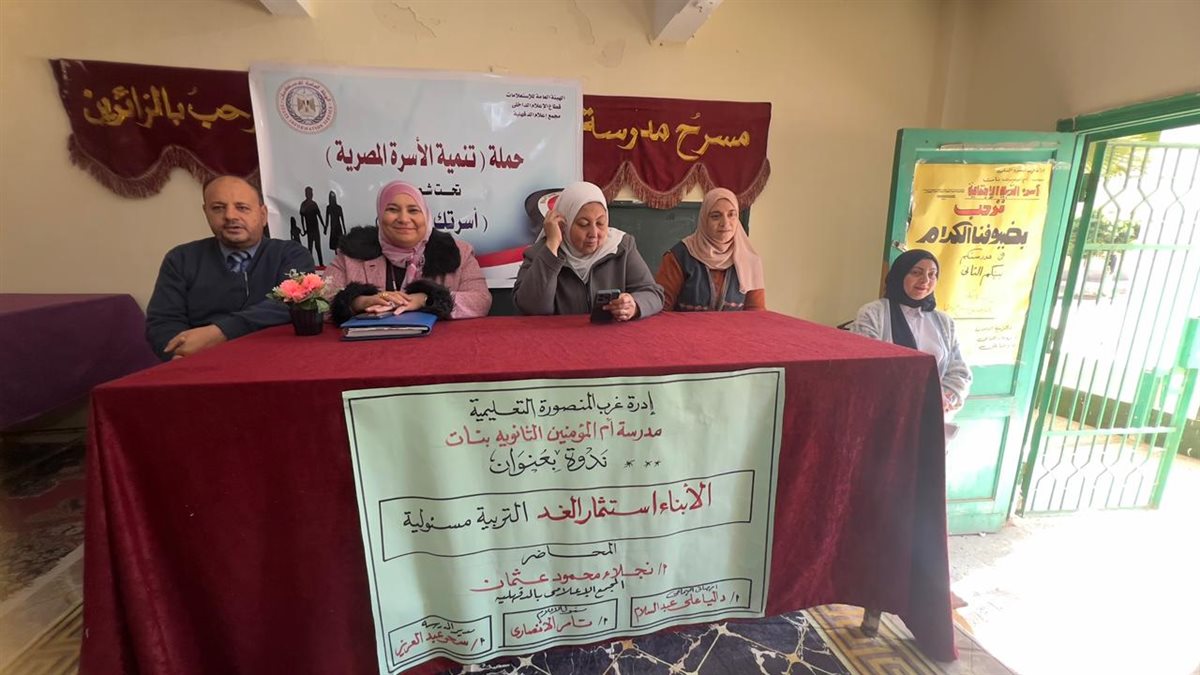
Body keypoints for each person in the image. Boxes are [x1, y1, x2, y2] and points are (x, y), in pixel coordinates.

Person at [145, 175, 315, 361]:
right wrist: (177, 354)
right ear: (206, 212)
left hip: (276, 359)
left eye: (242, 208)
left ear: (263, 215)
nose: (230, 216)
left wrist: (218, 333)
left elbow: (292, 304)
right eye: (218, 208)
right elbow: (163, 322)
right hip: (201, 363)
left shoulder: (291, 254)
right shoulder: (181, 259)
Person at [327, 181, 491, 323]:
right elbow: (319, 303)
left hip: (435, 345)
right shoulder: (352, 254)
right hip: (369, 346)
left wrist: (425, 299)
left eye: (413, 210)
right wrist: (359, 303)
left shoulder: (458, 252)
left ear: (426, 216)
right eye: (392, 209)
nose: (404, 219)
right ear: (380, 215)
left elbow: (481, 301)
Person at [513, 181, 663, 320]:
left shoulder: (621, 247)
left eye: (601, 223)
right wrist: (552, 246)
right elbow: (533, 308)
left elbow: (653, 294)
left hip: (610, 336)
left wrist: (634, 305)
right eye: (583, 224)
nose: (594, 233)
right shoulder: (541, 253)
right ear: (564, 224)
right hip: (560, 337)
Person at [850, 249, 971, 416]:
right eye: (916, 272)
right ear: (900, 275)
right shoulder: (873, 313)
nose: (925, 280)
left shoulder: (944, 322)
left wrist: (943, 399)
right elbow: (866, 367)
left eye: (932, 274)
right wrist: (917, 399)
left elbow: (959, 371)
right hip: (884, 412)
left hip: (931, 415)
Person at [656, 187, 765, 311]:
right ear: (704, 220)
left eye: (731, 215)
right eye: (716, 216)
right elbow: (661, 308)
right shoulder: (679, 257)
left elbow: (756, 313)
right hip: (685, 324)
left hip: (735, 325)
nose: (725, 223)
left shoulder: (749, 260)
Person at [299, 186, 324, 265]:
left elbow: (319, 215)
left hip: (316, 229)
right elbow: (302, 218)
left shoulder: (314, 204)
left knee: (318, 247)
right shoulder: (303, 204)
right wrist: (304, 229)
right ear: (306, 194)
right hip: (309, 230)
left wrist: (323, 225)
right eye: (309, 193)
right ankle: (310, 264)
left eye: (311, 193)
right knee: (310, 248)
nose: (310, 194)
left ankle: (321, 264)